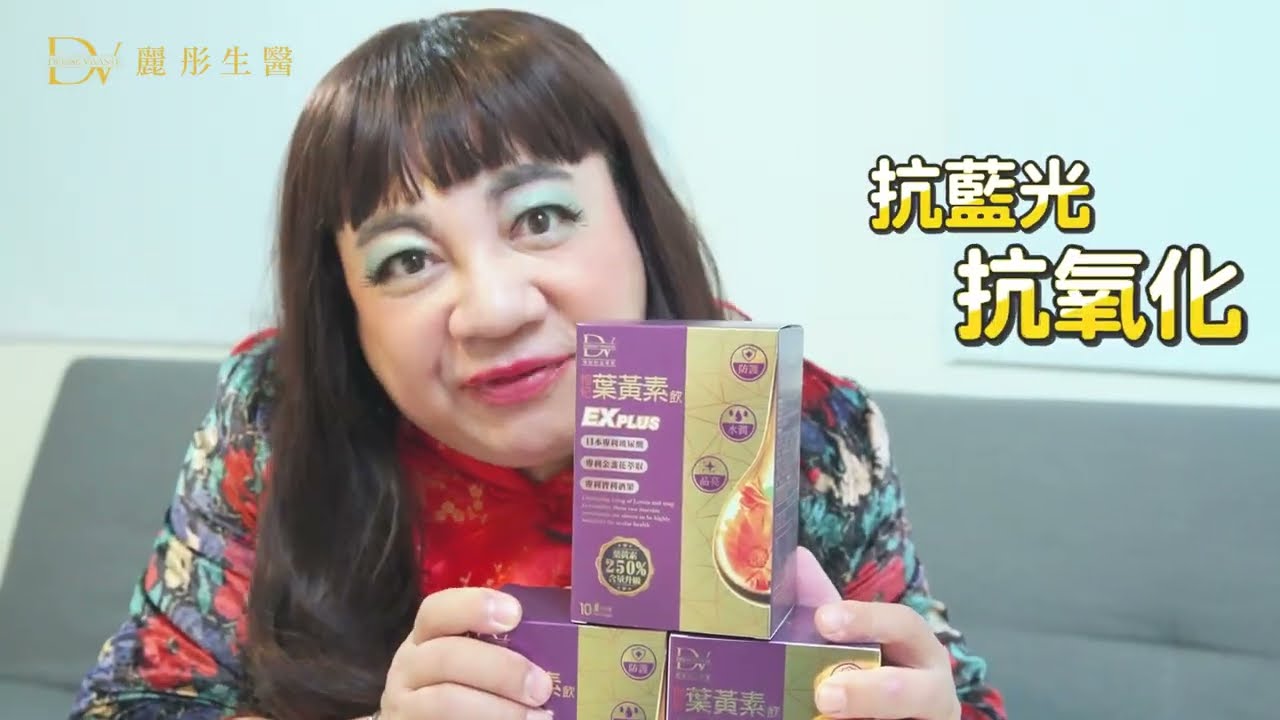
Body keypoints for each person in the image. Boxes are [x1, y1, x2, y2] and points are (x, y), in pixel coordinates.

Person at [70, 9, 1005, 720]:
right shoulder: (274, 419)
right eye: (406, 260)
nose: (494, 310)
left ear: (636, 217)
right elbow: (132, 703)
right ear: (344, 306)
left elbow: (958, 696)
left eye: (541, 218)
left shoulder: (806, 430)